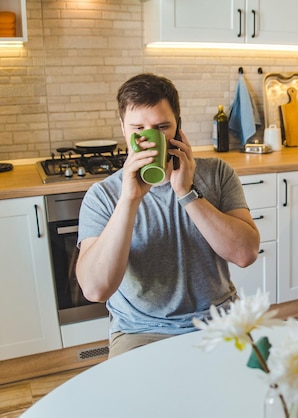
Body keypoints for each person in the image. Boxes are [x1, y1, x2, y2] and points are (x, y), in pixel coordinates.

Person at [76, 73, 260, 357]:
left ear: (178, 127)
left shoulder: (217, 174)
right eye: (138, 128)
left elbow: (246, 254)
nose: (151, 138)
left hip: (219, 320)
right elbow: (95, 290)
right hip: (140, 330)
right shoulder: (103, 195)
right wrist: (130, 199)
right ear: (123, 129)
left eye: (162, 127)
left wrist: (187, 193)